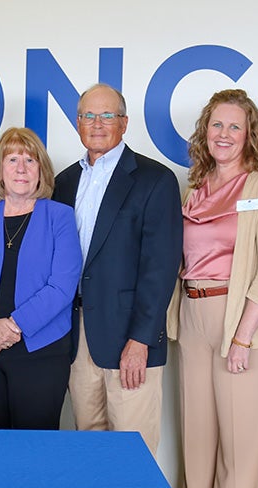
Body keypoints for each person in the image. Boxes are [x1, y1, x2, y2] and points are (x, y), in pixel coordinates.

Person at [165, 89, 258, 488]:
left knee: (242, 437)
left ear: (250, 134)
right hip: (193, 314)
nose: (224, 134)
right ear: (205, 132)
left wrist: (242, 337)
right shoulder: (194, 186)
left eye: (234, 126)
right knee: (197, 431)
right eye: (216, 125)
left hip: (243, 322)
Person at [53, 83, 183, 452]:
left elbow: (160, 267)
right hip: (79, 340)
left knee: (132, 450)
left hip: (130, 338)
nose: (96, 123)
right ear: (77, 123)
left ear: (124, 123)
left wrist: (140, 340)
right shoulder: (64, 183)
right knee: (89, 445)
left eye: (106, 115)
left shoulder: (154, 180)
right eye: (88, 115)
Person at [0, 127, 82, 429]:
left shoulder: (60, 217)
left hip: (40, 352)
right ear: (0, 171)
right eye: (12, 160)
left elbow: (62, 286)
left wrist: (10, 329)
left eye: (30, 160)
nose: (21, 168)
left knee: (34, 451)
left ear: (41, 171)